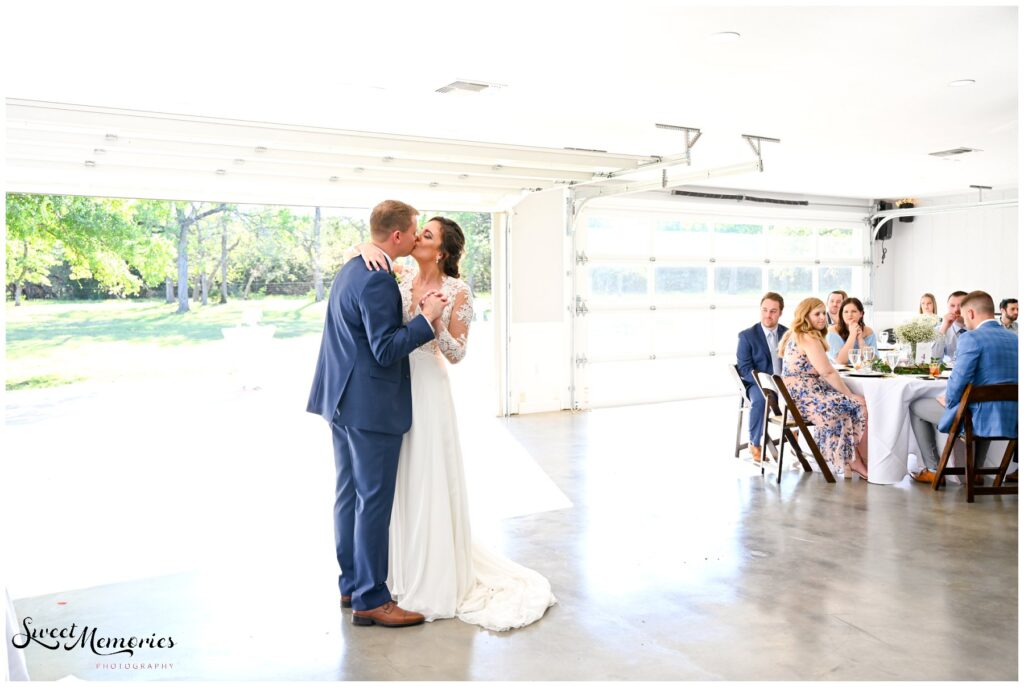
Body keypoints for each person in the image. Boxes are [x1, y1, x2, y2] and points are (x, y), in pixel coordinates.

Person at [351, 216, 556, 632]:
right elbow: (365, 258)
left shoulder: (457, 291)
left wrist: (436, 321)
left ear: (441, 251)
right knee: (397, 480)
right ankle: (392, 574)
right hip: (393, 389)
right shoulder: (398, 272)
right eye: (417, 231)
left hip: (428, 388)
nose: (416, 237)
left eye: (425, 235)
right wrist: (365, 248)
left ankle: (432, 574)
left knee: (427, 475)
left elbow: (458, 353)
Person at [306, 199, 448, 628]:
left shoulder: (352, 268)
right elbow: (385, 349)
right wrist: (425, 319)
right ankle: (371, 597)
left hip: (341, 400)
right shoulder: (377, 279)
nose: (418, 233)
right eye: (415, 228)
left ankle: (351, 583)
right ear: (399, 236)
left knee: (349, 495)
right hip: (369, 407)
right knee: (372, 501)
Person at [908, 291, 1018, 484]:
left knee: (916, 405)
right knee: (987, 403)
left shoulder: (971, 338)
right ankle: (976, 471)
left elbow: (957, 383)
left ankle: (933, 469)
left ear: (972, 313)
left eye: (965, 314)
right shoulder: (1015, 339)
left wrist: (948, 399)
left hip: (975, 419)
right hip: (1013, 416)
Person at [779, 297, 870, 479]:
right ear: (806, 316)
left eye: (823, 313)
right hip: (805, 400)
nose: (822, 317)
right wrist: (849, 395)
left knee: (851, 405)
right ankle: (859, 460)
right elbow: (827, 372)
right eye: (817, 314)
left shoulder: (795, 334)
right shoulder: (808, 337)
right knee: (861, 405)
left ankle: (852, 458)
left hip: (797, 399)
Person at [736, 292, 787, 463]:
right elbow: (744, 368)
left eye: (773, 311)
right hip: (757, 384)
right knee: (761, 399)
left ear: (780, 312)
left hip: (785, 382)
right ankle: (755, 444)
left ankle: (794, 435)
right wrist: (765, 383)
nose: (768, 315)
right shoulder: (747, 336)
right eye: (765, 310)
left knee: (803, 394)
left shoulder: (788, 334)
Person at [826, 297, 878, 364]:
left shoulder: (868, 331)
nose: (849, 315)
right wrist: (852, 335)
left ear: (861, 314)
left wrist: (860, 339)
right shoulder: (832, 331)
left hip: (863, 372)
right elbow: (841, 361)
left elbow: (874, 361)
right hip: (839, 373)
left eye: (854, 311)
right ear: (842, 314)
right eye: (846, 312)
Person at [932, 291, 968, 363]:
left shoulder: (979, 329)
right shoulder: (939, 330)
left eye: (960, 305)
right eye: (952, 305)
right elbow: (934, 361)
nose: (956, 310)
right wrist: (943, 329)